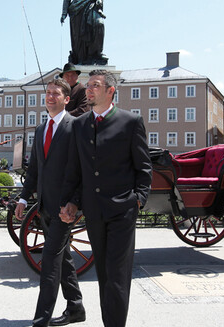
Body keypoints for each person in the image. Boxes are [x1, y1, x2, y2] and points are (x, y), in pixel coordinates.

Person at [59, 70, 152, 327]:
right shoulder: (79, 125)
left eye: (95, 86)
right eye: (88, 86)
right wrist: (71, 201)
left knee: (117, 276)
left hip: (123, 210)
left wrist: (138, 200)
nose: (88, 90)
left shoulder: (130, 122)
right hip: (95, 212)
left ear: (110, 91)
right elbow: (75, 170)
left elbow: (143, 167)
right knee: (103, 274)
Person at [16, 79, 85, 327]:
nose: (50, 96)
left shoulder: (76, 126)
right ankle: (76, 308)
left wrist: (75, 202)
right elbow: (35, 168)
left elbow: (83, 170)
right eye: (48, 93)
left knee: (51, 261)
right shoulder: (41, 129)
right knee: (64, 257)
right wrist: (24, 198)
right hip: (44, 206)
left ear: (67, 99)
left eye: (56, 93)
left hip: (65, 209)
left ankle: (41, 320)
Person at [61, 0, 108, 65]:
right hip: (76, 9)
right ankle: (81, 58)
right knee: (79, 37)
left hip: (92, 4)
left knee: (99, 24)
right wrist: (64, 12)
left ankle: (97, 53)